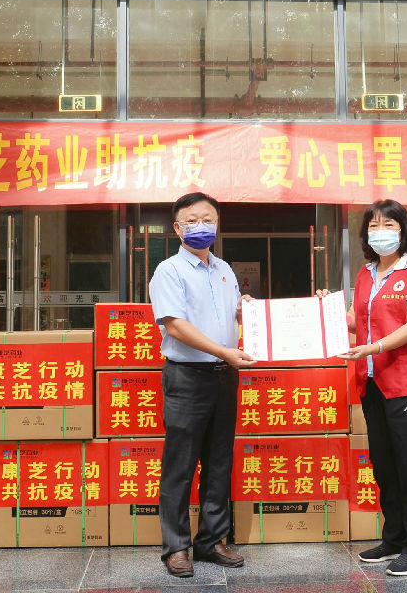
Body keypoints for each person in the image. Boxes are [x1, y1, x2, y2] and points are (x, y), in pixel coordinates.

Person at [318, 199, 407, 576]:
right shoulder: (366, 273)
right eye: (373, 226)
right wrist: (325, 309)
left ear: (403, 231)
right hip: (373, 384)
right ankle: (394, 539)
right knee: (385, 466)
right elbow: (357, 320)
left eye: (388, 225)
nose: (380, 232)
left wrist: (373, 348)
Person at [148, 192, 257, 578]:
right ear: (178, 228)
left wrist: (246, 309)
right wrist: (224, 351)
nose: (201, 226)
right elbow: (175, 325)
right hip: (187, 377)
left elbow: (233, 315)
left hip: (224, 377)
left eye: (208, 219)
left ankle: (211, 541)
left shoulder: (224, 270)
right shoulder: (168, 271)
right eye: (192, 220)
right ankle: (176, 547)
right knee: (180, 465)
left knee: (218, 462)